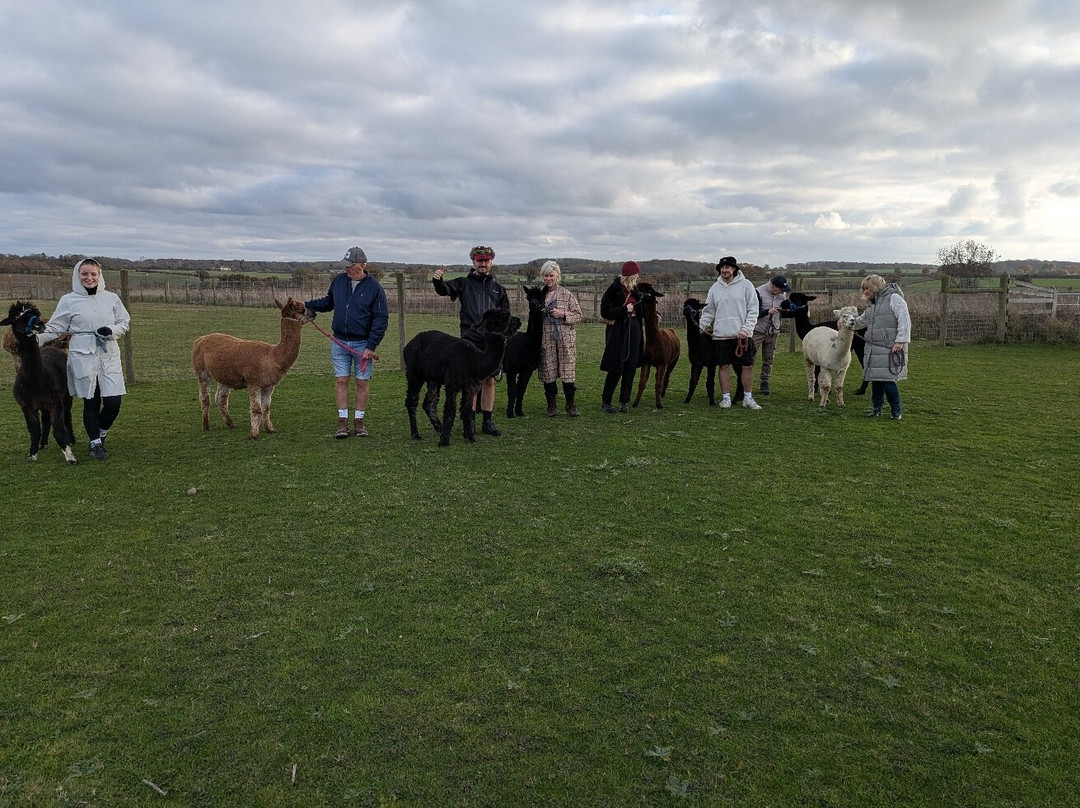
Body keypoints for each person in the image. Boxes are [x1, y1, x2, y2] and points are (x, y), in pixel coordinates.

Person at [37, 258, 131, 460]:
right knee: (91, 401)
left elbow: (124, 322)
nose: (89, 278)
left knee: (113, 401)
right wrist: (33, 340)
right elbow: (55, 327)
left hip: (108, 353)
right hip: (83, 354)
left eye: (93, 274)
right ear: (77, 276)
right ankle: (95, 443)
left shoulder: (111, 298)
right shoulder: (69, 300)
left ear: (99, 275)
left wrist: (111, 329)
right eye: (85, 274)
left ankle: (101, 432)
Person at [305, 246, 389, 438]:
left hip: (362, 345)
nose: (347, 270)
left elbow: (381, 319)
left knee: (361, 383)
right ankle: (342, 421)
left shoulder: (374, 288)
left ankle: (359, 421)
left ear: (362, 265)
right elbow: (328, 302)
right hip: (339, 342)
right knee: (341, 380)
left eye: (350, 266)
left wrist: (371, 346)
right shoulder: (339, 281)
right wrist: (306, 305)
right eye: (346, 266)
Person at [432, 245, 511, 436]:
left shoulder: (498, 289)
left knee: (489, 381)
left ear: (491, 262)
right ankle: (470, 420)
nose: (483, 264)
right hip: (469, 341)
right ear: (473, 262)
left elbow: (505, 316)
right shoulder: (463, 283)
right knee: (471, 383)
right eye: (479, 261)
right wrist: (437, 280)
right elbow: (444, 290)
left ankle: (487, 420)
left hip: (490, 343)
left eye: (486, 261)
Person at [698, 256, 762, 410]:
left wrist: (746, 329)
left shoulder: (746, 286)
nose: (724, 270)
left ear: (734, 269)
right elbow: (709, 311)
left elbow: (753, 310)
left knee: (747, 366)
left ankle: (748, 398)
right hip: (721, 335)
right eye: (722, 267)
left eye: (728, 267)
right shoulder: (715, 288)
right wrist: (699, 327)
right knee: (723, 366)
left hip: (742, 336)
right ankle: (725, 398)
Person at [853, 274, 910, 420]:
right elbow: (862, 320)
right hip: (874, 348)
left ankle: (896, 412)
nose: (865, 291)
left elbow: (904, 319)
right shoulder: (873, 304)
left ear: (875, 287)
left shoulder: (894, 298)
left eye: (867, 288)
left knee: (888, 381)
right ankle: (876, 409)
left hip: (890, 348)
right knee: (876, 380)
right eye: (863, 288)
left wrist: (900, 341)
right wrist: (848, 322)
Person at [538, 260, 584, 417]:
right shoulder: (540, 295)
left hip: (565, 339)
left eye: (551, 275)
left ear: (557, 276)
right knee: (548, 370)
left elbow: (579, 316)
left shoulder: (567, 294)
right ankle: (551, 405)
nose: (548, 279)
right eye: (545, 276)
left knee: (567, 370)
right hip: (546, 338)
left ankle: (570, 404)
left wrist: (563, 314)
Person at [599, 261, 645, 413]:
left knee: (630, 367)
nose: (637, 277)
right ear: (631, 275)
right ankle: (606, 401)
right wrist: (624, 309)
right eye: (636, 275)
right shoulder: (614, 290)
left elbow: (641, 311)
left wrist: (655, 316)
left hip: (634, 329)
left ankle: (624, 401)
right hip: (618, 331)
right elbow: (605, 311)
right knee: (616, 367)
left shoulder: (635, 290)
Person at [752, 274, 790, 395]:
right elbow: (753, 313)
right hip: (757, 330)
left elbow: (786, 311)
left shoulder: (782, 295)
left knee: (768, 358)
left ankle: (765, 382)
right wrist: (767, 311)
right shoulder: (758, 292)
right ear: (773, 286)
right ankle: (745, 382)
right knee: (750, 357)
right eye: (780, 289)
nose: (782, 292)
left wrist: (802, 311)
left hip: (773, 331)